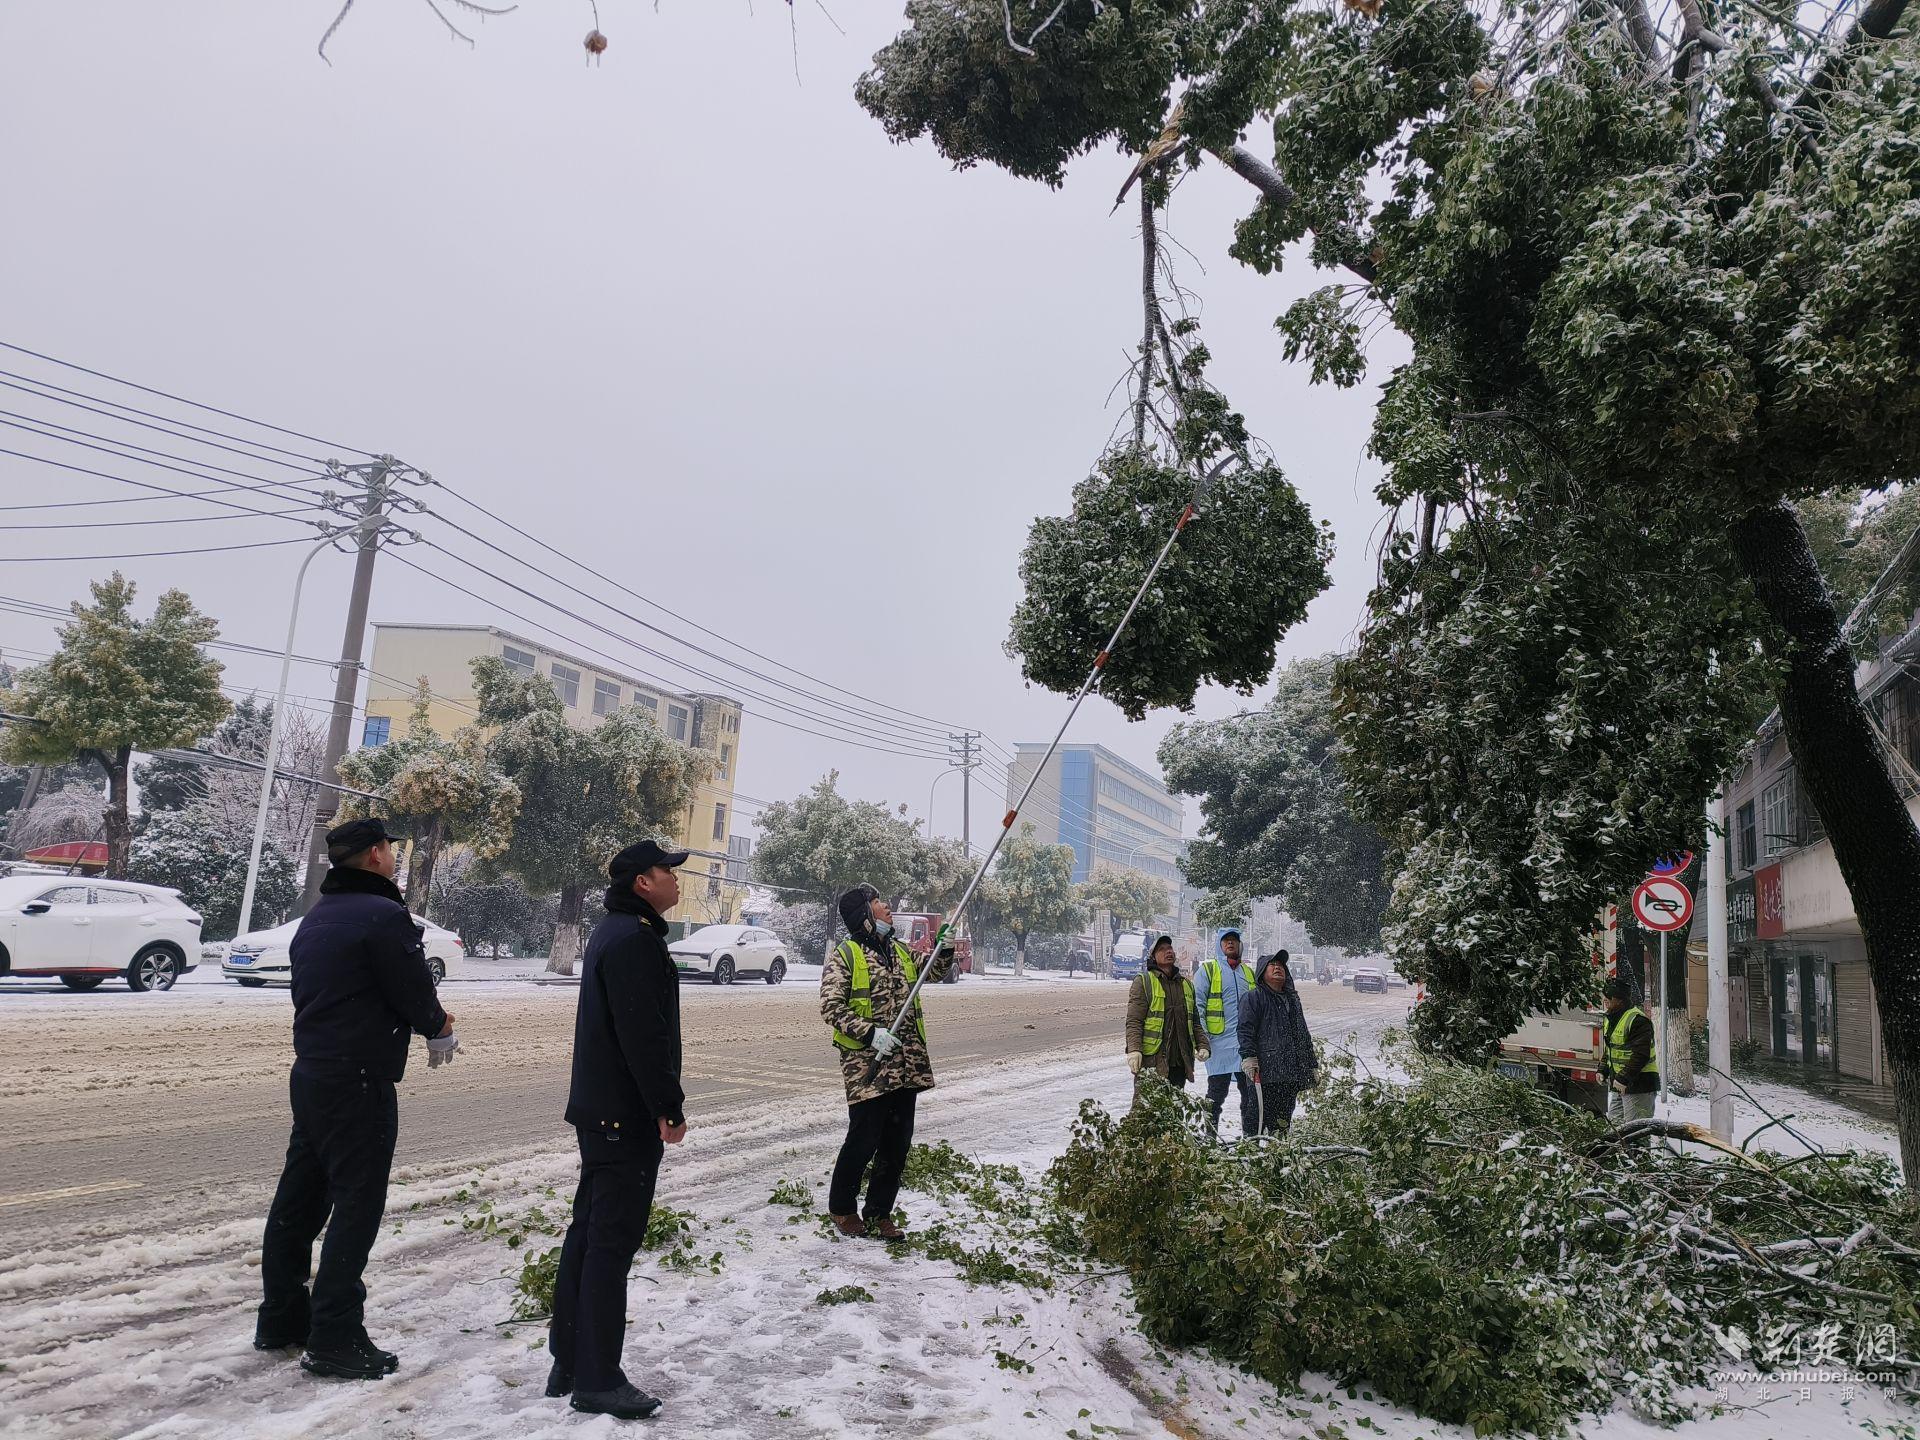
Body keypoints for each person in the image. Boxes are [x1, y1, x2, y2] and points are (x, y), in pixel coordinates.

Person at [256, 817, 458, 1381]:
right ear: (374, 855)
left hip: (314, 1072)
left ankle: (281, 1318)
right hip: (360, 1079)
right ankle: (336, 1335)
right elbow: (412, 988)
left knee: (300, 1198)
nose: (392, 856)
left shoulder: (316, 919)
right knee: (357, 1202)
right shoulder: (384, 916)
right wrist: (439, 1027)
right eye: (389, 849)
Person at [547, 839, 691, 1421]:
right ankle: (599, 1377)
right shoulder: (633, 940)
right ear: (641, 883)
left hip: (602, 1112)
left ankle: (571, 1358)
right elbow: (643, 1037)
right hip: (622, 1117)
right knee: (610, 1245)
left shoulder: (617, 931)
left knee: (588, 1235)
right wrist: (668, 1106)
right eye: (667, 872)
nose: (677, 881)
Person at [821, 884, 955, 1240]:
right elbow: (831, 1007)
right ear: (865, 913)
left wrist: (945, 947)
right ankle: (843, 1208)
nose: (887, 907)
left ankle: (880, 1212)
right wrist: (870, 1033)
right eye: (879, 903)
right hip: (869, 1066)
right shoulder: (845, 956)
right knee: (863, 1140)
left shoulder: (898, 951)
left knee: (897, 1143)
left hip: (906, 1063)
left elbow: (933, 973)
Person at [1237, 950, 1318, 1135]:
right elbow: (1245, 1030)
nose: (1277, 968)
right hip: (1263, 1075)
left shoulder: (1292, 1000)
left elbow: (1303, 1035)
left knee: (1282, 1126)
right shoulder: (1253, 998)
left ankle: (1279, 1162)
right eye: (1272, 965)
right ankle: (1252, 1159)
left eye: (1280, 965)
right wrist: (1249, 1057)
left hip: (1288, 1075)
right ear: (1261, 972)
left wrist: (1311, 1064)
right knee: (1255, 1124)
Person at [1193, 929, 1257, 1139]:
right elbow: (1197, 1005)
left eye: (1234, 940)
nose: (1230, 944)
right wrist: (1201, 1039)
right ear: (1219, 946)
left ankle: (1250, 1141)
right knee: (1215, 1096)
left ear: (1240, 945)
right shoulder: (1209, 970)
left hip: (1244, 1047)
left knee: (1249, 1096)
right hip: (1218, 1046)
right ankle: (1210, 1141)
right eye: (1226, 941)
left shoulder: (1248, 973)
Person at [1125, 934, 1204, 1092]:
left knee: (1174, 1111)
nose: (1168, 951)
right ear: (1153, 957)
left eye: (1170, 948)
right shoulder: (1144, 982)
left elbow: (1194, 1021)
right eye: (1162, 949)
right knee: (1145, 1112)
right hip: (1152, 1063)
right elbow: (1134, 1021)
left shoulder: (1186, 985)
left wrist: (1203, 1044)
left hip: (1179, 1063)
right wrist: (1134, 1049)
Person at [1600, 977, 1658, 1124]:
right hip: (1621, 1084)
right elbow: (1611, 1049)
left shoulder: (1638, 1020)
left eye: (1609, 998)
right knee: (1615, 1129)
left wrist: (1623, 1077)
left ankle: (1635, 1148)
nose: (1605, 1000)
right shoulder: (1610, 1018)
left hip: (1640, 1085)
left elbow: (1641, 1054)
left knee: (1635, 1132)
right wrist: (1603, 1069)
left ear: (1619, 1000)